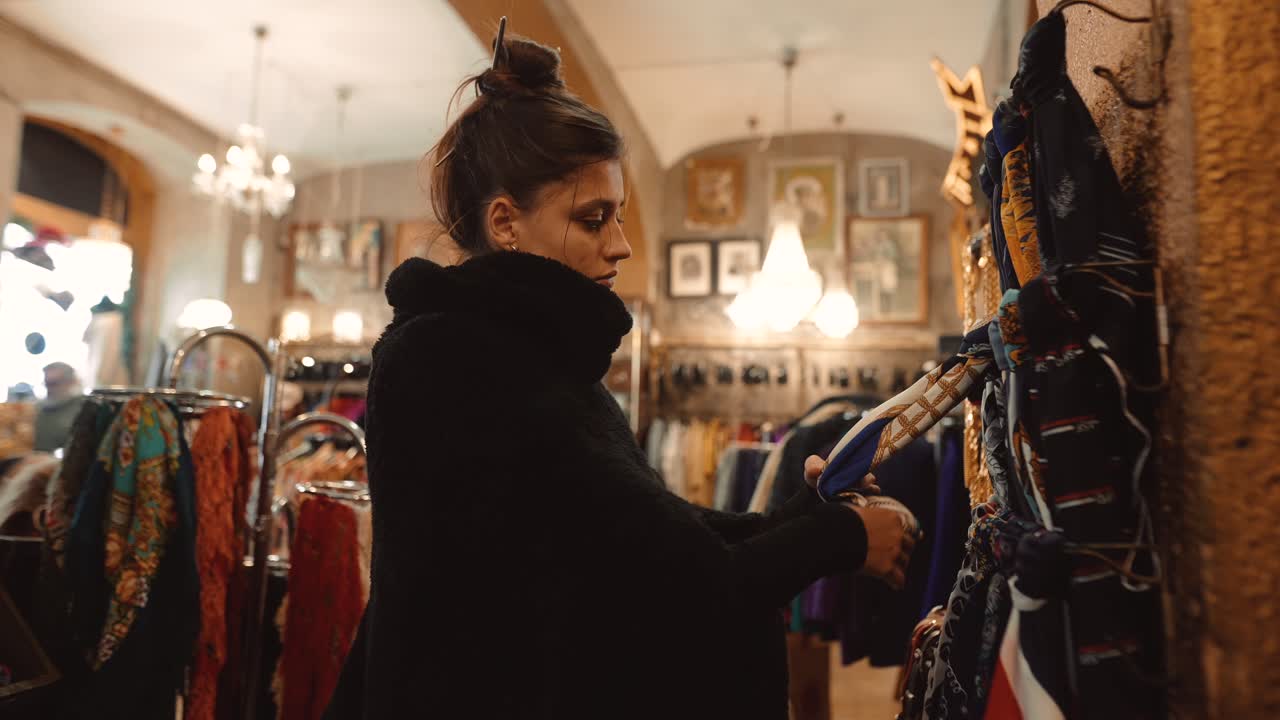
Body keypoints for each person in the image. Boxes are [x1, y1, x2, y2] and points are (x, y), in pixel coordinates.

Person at [324, 34, 916, 720]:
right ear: (505, 223)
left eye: (620, 216)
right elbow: (662, 581)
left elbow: (645, 533)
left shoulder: (529, 356)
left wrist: (803, 517)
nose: (622, 244)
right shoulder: (454, 361)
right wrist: (838, 538)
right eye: (593, 218)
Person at [33, 362, 85, 452]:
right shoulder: (38, 408)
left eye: (54, 384)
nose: (49, 390)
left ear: (71, 382)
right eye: (47, 384)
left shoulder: (84, 408)